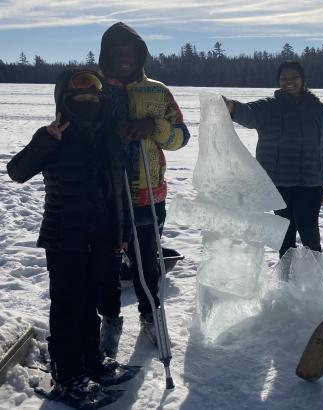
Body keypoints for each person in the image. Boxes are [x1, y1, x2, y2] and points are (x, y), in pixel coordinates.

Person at [7, 70, 136, 406]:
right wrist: (45, 140)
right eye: (79, 99)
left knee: (90, 304)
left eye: (94, 98)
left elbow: (118, 193)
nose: (88, 103)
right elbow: (17, 171)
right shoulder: (54, 135)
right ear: (64, 101)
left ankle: (91, 363)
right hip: (65, 236)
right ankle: (67, 376)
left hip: (103, 235)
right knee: (68, 308)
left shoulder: (108, 138)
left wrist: (120, 236)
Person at [96, 22, 190, 356]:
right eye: (116, 51)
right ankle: (110, 321)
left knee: (147, 263)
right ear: (106, 55)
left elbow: (181, 136)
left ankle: (151, 317)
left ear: (139, 54)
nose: (123, 57)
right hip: (104, 193)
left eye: (129, 51)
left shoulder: (158, 91)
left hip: (147, 192)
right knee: (105, 266)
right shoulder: (95, 88)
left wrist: (154, 127)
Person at [223, 61, 323, 257]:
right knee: (285, 236)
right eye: (284, 78)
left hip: (310, 184)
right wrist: (231, 107)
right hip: (279, 184)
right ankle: (286, 280)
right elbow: (249, 113)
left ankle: (315, 277)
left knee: (310, 232)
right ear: (279, 81)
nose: (289, 81)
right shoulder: (270, 107)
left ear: (302, 80)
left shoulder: (317, 109)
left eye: (294, 77)